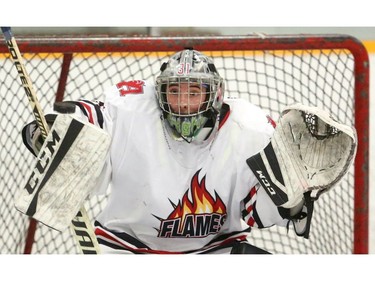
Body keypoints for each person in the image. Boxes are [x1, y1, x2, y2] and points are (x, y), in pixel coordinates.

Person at [21, 49, 353, 254]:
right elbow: (85, 116)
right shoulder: (132, 108)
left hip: (214, 253)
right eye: (174, 91)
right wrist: (47, 131)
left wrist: (295, 200)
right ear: (159, 93)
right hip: (125, 250)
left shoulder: (251, 128)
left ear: (216, 94)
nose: (182, 102)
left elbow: (261, 212)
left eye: (193, 92)